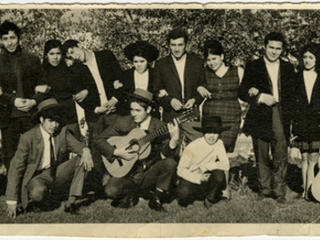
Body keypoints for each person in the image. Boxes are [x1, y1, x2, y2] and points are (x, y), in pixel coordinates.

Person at [94, 88, 179, 212]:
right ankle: (132, 193)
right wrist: (116, 152)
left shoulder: (160, 127)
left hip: (148, 173)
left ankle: (155, 197)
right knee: (110, 191)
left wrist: (174, 140)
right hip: (126, 173)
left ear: (148, 110)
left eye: (138, 110)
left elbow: (166, 156)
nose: (134, 114)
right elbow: (98, 140)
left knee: (171, 163)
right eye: (132, 110)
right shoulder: (123, 122)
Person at [5, 98, 94, 218]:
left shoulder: (62, 132)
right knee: (38, 193)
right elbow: (16, 167)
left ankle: (71, 202)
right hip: (36, 176)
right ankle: (42, 200)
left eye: (57, 121)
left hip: (55, 172)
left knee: (82, 158)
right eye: (50, 121)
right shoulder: (28, 138)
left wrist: (85, 150)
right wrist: (11, 199)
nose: (54, 125)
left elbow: (77, 145)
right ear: (41, 120)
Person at [238, 32, 296, 204]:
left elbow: (293, 94)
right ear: (264, 46)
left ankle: (279, 191)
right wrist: (260, 97)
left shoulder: (287, 67)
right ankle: (264, 190)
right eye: (271, 47)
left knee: (280, 152)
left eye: (278, 49)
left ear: (282, 50)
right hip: (260, 115)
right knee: (261, 153)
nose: (274, 52)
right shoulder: (253, 65)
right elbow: (242, 91)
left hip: (281, 114)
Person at [61, 40, 122, 176]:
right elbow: (80, 98)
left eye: (73, 51)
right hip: (95, 116)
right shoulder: (75, 70)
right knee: (96, 149)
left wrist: (115, 100)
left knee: (117, 143)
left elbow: (120, 79)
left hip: (114, 111)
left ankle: (118, 176)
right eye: (70, 56)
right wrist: (95, 109)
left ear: (80, 45)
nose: (74, 56)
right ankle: (98, 185)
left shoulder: (106, 56)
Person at [0, 21, 46, 171]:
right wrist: (13, 101)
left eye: (12, 38)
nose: (9, 42)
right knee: (11, 156)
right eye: (5, 39)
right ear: (1, 40)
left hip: (30, 115)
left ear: (19, 38)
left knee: (33, 154)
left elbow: (43, 88)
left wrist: (33, 101)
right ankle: (13, 192)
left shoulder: (33, 60)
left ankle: (32, 189)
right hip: (8, 116)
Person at [153, 28, 205, 141]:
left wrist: (194, 100)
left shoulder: (197, 62)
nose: (176, 49)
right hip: (171, 115)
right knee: (173, 150)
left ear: (186, 44)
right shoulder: (160, 64)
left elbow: (203, 86)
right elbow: (155, 91)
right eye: (173, 45)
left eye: (180, 45)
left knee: (194, 149)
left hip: (192, 114)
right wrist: (170, 100)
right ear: (168, 45)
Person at [197, 40, 242, 154]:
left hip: (231, 118)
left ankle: (224, 172)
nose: (211, 63)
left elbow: (246, 92)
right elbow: (195, 87)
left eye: (214, 58)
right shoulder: (203, 72)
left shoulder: (237, 71)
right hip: (210, 119)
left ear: (222, 56)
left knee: (225, 151)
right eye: (208, 60)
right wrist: (199, 88)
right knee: (209, 152)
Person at [177, 116, 230, 208]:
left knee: (219, 174)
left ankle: (209, 199)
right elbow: (180, 170)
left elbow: (226, 165)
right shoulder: (192, 147)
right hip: (192, 178)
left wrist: (206, 166)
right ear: (203, 132)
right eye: (209, 132)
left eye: (215, 132)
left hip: (207, 178)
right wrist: (198, 178)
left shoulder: (219, 143)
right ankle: (190, 197)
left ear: (219, 133)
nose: (212, 136)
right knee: (183, 193)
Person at [291, 43, 320, 200]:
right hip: (301, 123)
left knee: (313, 157)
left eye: (311, 57)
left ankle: (311, 190)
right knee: (304, 158)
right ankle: (304, 191)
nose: (308, 60)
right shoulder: (296, 78)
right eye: (305, 57)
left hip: (317, 123)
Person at [119, 41, 160, 118]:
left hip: (150, 115)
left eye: (142, 61)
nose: (138, 65)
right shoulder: (126, 75)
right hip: (130, 115)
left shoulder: (155, 75)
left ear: (148, 62)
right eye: (135, 62)